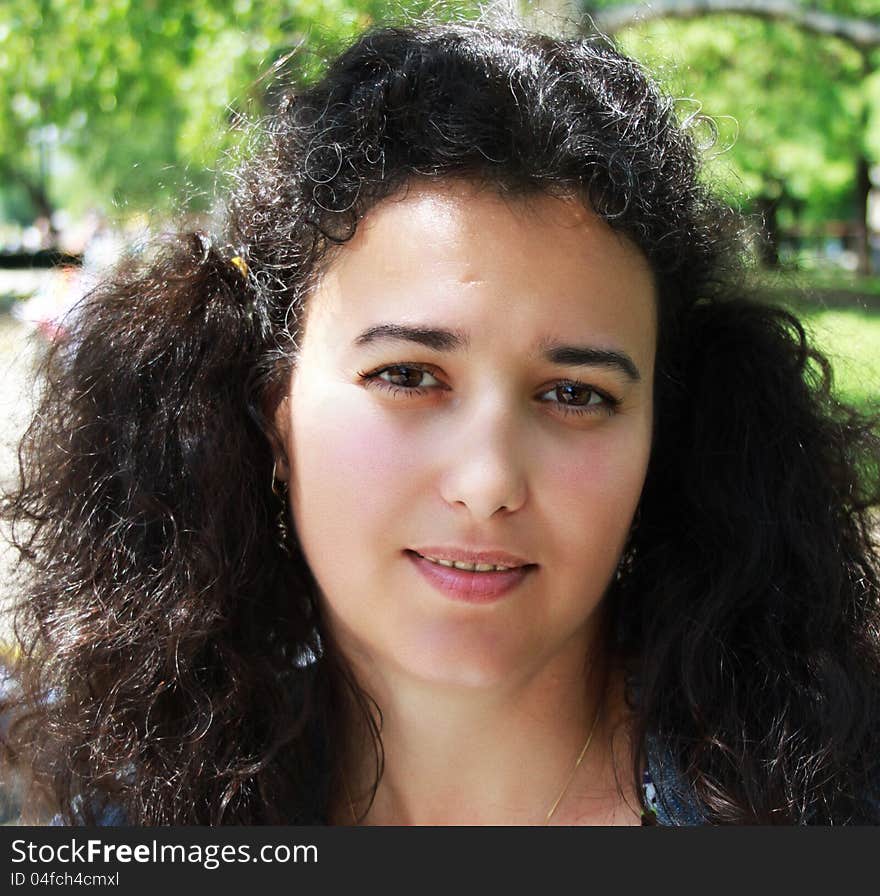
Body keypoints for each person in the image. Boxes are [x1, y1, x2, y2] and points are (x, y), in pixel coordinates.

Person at [1, 17, 879, 826]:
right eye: (410, 374)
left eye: (576, 393)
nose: (489, 479)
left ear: (663, 436)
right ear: (274, 414)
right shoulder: (123, 821)